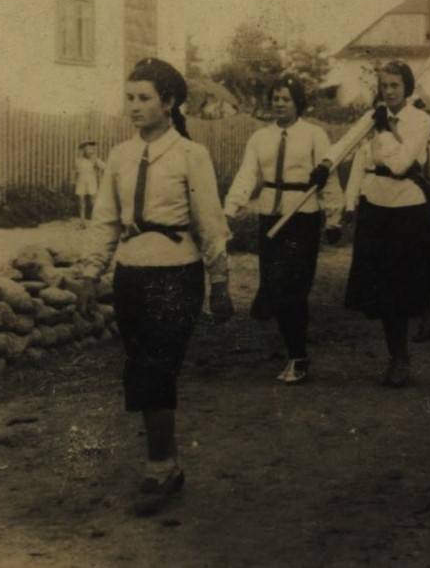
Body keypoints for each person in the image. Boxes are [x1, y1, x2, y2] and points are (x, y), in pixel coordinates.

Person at [80, 57, 233, 516]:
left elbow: (210, 222)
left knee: (157, 368)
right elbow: (105, 219)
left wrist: (220, 281)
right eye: (129, 98)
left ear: (168, 103)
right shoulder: (120, 157)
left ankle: (159, 466)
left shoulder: (190, 155)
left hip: (176, 274)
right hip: (131, 273)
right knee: (141, 368)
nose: (134, 106)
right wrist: (90, 272)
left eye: (144, 98)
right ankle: (168, 462)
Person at [223, 75, 343, 384]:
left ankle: (297, 356)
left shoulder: (314, 135)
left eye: (286, 99)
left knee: (295, 289)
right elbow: (247, 174)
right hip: (270, 216)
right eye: (275, 98)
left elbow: (328, 177)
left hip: (302, 216)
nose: (279, 103)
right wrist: (230, 209)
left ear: (298, 102)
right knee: (275, 285)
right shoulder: (260, 138)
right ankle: (289, 343)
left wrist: (334, 217)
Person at [327, 61, 430, 386]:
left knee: (405, 286)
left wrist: (385, 131)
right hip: (376, 206)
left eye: (395, 85)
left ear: (407, 87)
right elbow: (349, 147)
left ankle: (419, 332)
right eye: (384, 86)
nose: (388, 92)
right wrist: (326, 164)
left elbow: (402, 163)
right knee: (383, 290)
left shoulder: (421, 120)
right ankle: (397, 356)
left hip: (408, 207)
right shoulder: (372, 116)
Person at [74, 141, 105, 227]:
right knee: (81, 202)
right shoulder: (78, 160)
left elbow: (104, 167)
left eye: (91, 149)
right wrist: (75, 181)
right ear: (83, 150)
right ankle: (82, 222)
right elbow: (77, 171)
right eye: (87, 149)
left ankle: (96, 220)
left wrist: (96, 163)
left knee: (93, 202)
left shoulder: (95, 159)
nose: (90, 151)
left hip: (91, 182)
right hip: (81, 182)